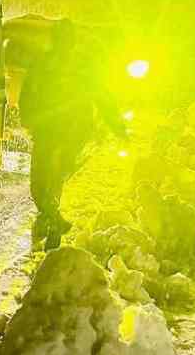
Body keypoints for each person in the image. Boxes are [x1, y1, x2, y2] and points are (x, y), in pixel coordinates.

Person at [19, 19, 126, 250]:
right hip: (47, 130)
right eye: (60, 37)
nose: (63, 42)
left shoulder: (82, 65)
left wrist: (116, 125)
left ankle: (52, 225)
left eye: (66, 38)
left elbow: (102, 95)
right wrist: (27, 115)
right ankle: (54, 219)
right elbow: (28, 90)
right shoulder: (44, 63)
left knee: (54, 178)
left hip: (72, 133)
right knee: (38, 185)